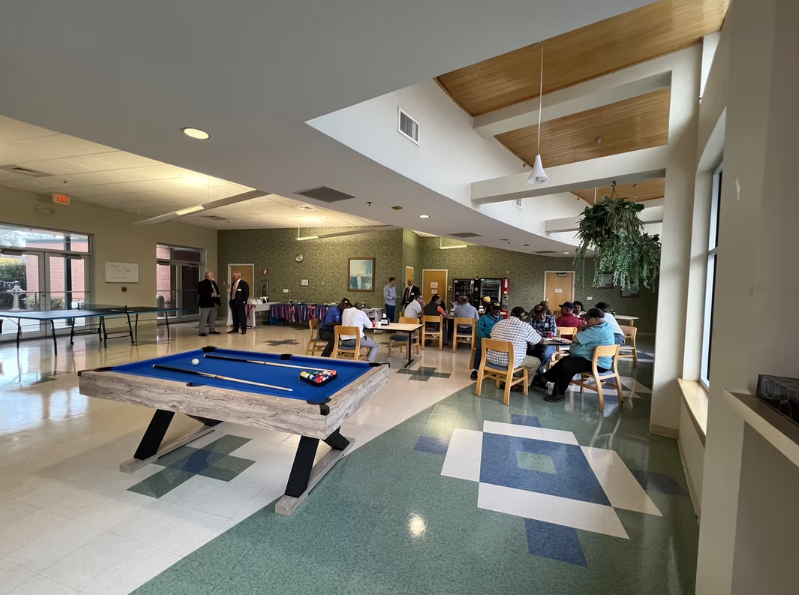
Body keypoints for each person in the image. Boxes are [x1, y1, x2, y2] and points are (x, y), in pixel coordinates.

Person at [540, 308, 615, 402]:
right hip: (601, 361)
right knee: (565, 360)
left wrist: (581, 329)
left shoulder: (595, 330)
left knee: (567, 365)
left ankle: (559, 394)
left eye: (587, 319)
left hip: (597, 363)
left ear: (596, 319)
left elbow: (575, 339)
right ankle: (543, 379)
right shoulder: (607, 326)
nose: (585, 321)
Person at [487, 306, 542, 391]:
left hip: (492, 359)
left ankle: (509, 379)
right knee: (536, 362)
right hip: (510, 362)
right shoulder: (525, 326)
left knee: (517, 357)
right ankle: (522, 385)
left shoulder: (499, 323)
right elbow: (539, 341)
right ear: (523, 317)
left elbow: (491, 335)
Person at [471, 302, 501, 380]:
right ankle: (475, 370)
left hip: (496, 340)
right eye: (495, 309)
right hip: (484, 339)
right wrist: (484, 338)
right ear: (491, 309)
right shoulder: (484, 318)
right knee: (480, 348)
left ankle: (497, 370)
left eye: (499, 309)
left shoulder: (501, 319)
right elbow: (479, 330)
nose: (498, 311)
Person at [527, 305, 557, 377]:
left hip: (548, 341)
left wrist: (538, 333)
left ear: (546, 312)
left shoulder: (551, 319)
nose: (542, 316)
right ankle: (538, 371)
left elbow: (552, 332)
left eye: (543, 314)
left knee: (546, 354)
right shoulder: (532, 320)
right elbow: (529, 332)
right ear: (535, 315)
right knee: (529, 350)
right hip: (536, 341)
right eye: (539, 315)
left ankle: (536, 369)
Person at [197, 271, 221, 337]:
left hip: (214, 302)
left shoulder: (213, 283)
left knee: (213, 317)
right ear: (206, 276)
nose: (212, 275)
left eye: (212, 274)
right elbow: (200, 292)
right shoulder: (201, 283)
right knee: (204, 318)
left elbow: (217, 291)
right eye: (211, 274)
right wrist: (210, 294)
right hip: (206, 303)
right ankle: (201, 331)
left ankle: (212, 330)